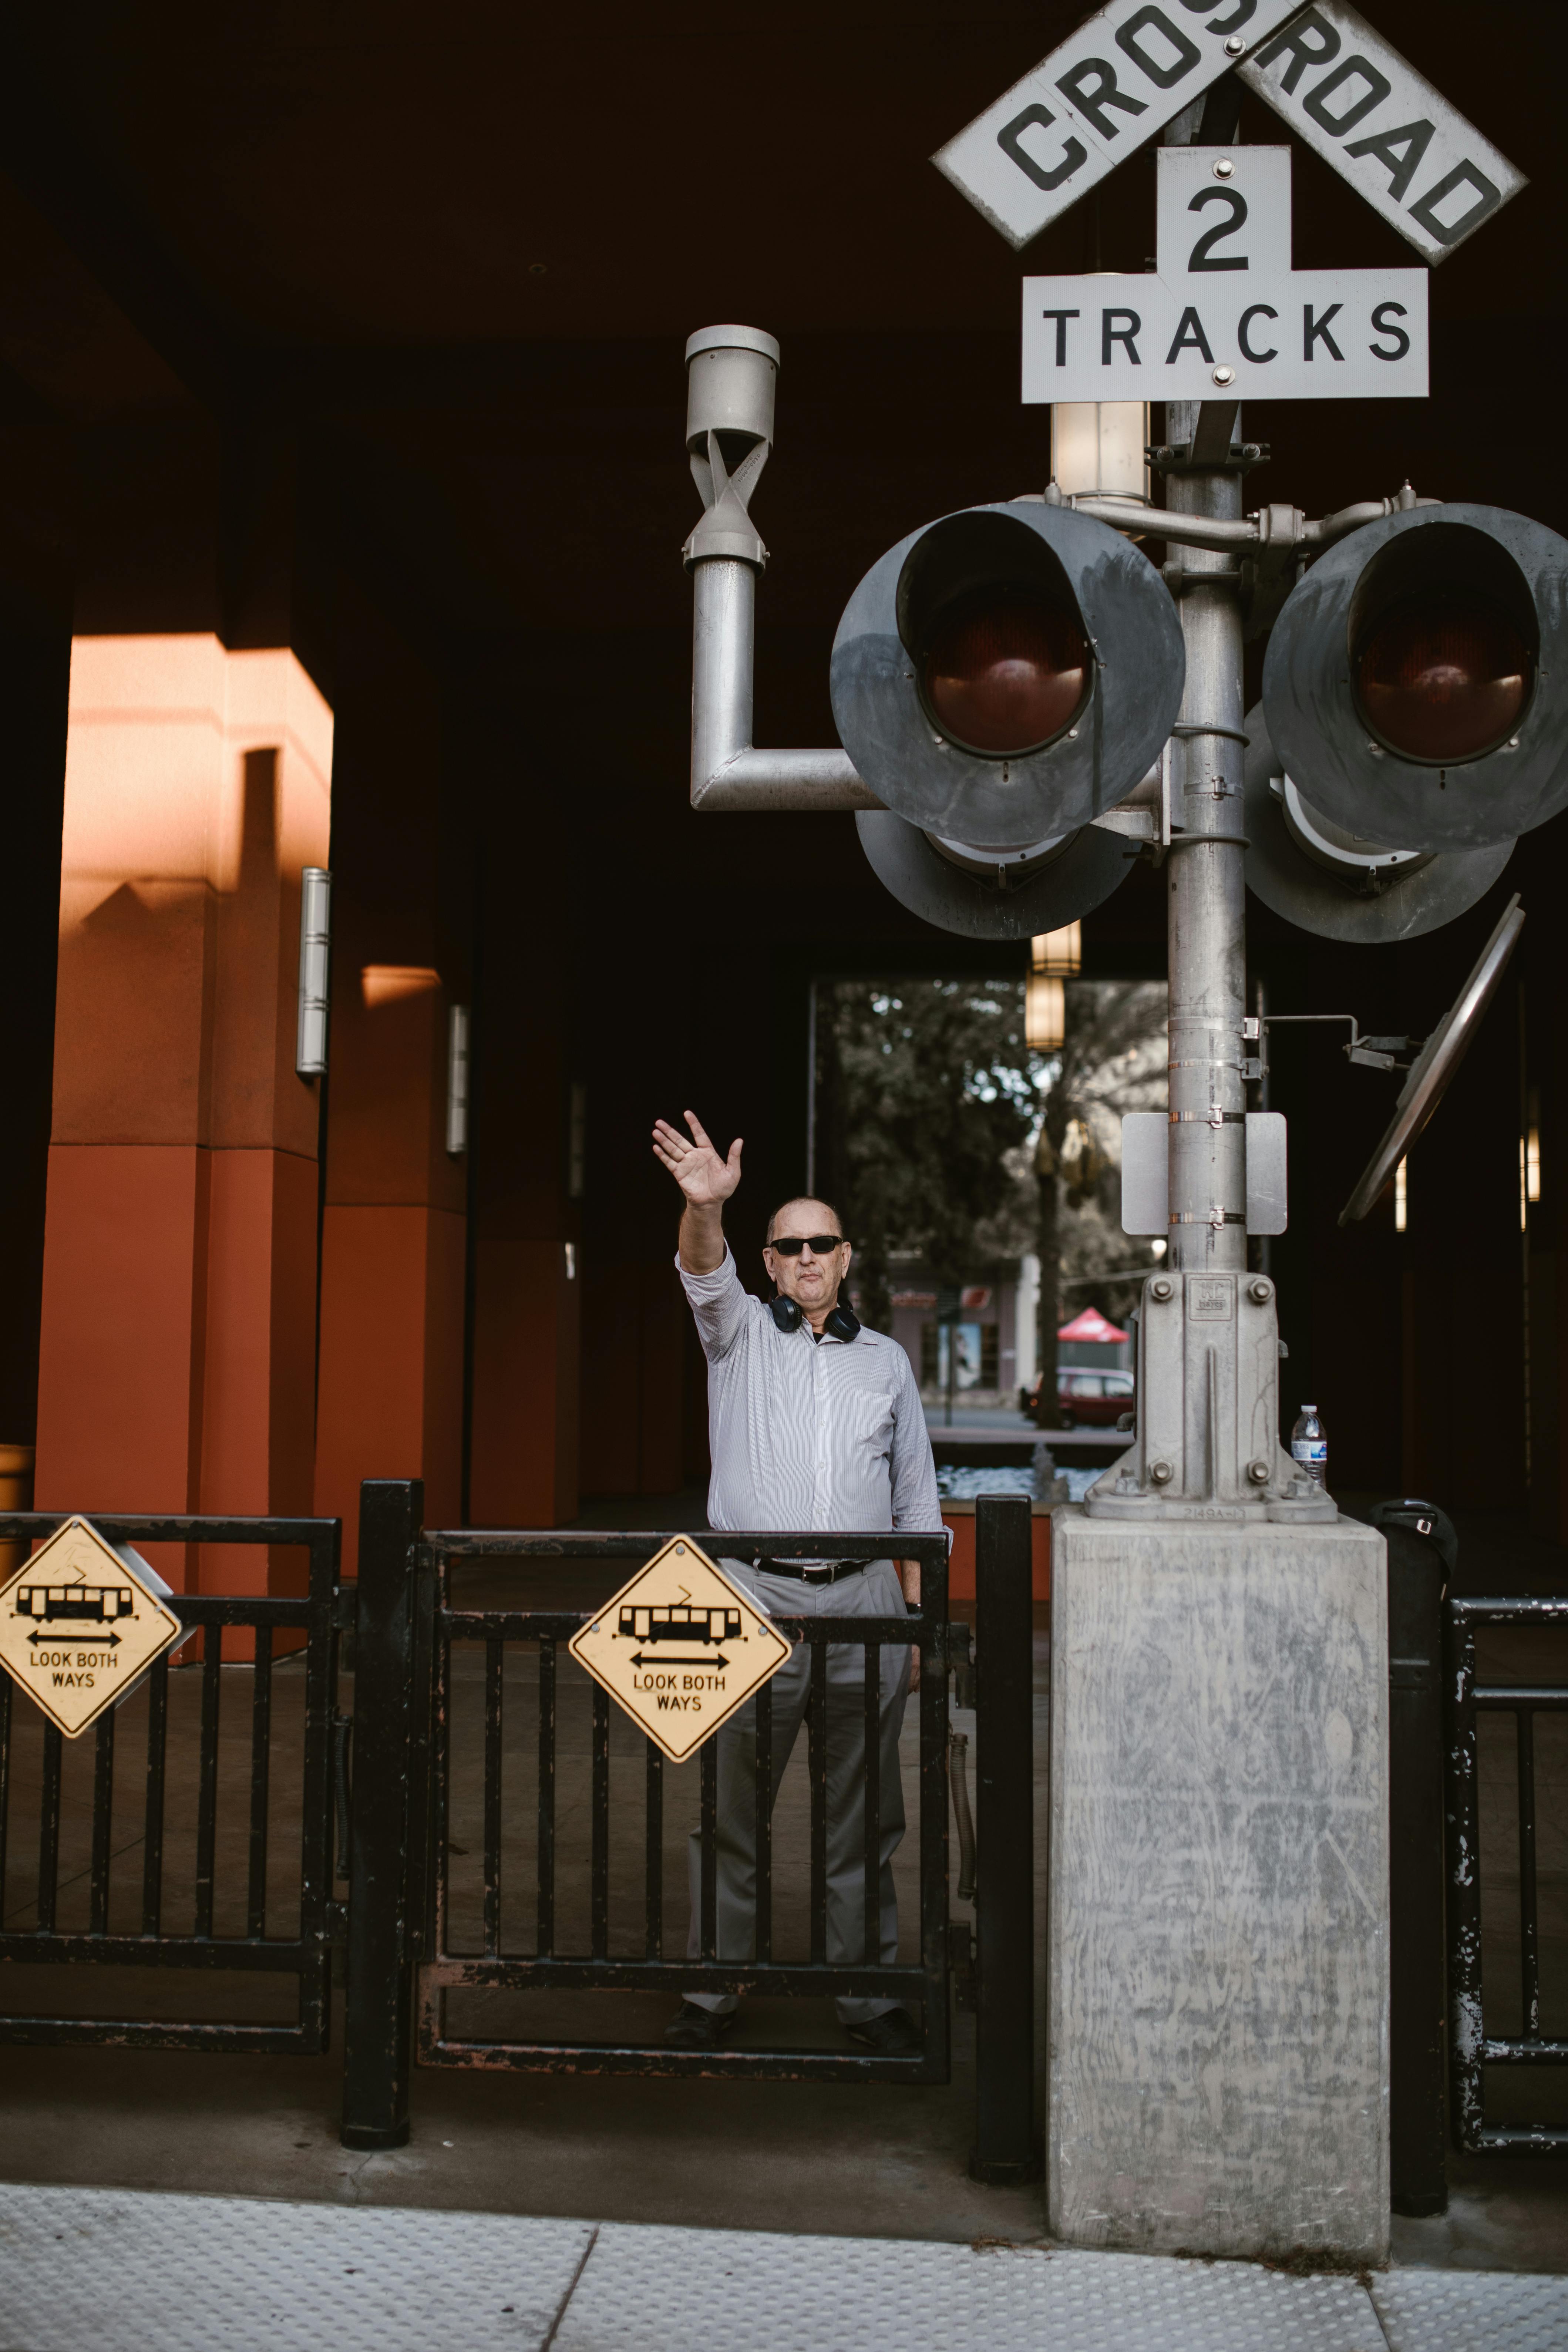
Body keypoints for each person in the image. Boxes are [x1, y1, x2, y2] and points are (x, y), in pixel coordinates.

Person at [650, 1107, 943, 2055]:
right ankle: (711, 1994)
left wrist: (917, 1616)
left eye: (822, 1243)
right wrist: (706, 1207)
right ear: (768, 1264)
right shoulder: (736, 1335)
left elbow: (916, 1498)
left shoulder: (885, 1362)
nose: (807, 1256)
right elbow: (703, 1265)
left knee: (866, 1816)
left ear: (845, 1258)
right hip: (752, 1593)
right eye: (789, 1245)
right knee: (733, 1808)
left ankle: (863, 1994)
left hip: (865, 1599)